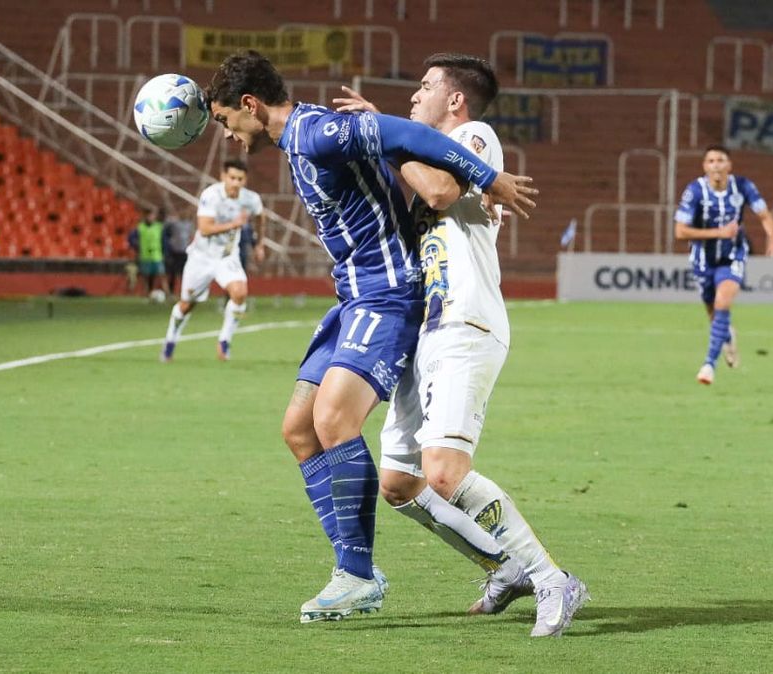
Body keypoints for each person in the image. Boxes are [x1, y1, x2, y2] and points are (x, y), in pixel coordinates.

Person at [204, 50, 536, 623]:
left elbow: (404, 133)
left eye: (224, 119)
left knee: (335, 420)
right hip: (354, 298)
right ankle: (398, 565)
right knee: (300, 431)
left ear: (250, 105)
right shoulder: (301, 139)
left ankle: (356, 575)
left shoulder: (313, 131)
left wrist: (487, 176)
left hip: (388, 292)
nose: (226, 133)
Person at [335, 53, 587, 637]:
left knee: (445, 471)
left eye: (425, 86)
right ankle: (503, 568)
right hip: (427, 331)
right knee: (400, 484)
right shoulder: (420, 151)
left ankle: (552, 578)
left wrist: (385, 138)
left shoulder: (473, 135)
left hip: (465, 323)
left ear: (455, 100)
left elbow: (444, 192)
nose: (414, 95)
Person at [674, 145, 773, 385]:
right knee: (714, 312)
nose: (716, 165)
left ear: (729, 165)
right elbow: (680, 231)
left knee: (723, 301)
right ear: (705, 166)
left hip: (733, 255)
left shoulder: (743, 186)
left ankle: (708, 365)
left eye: (720, 160)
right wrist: (719, 232)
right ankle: (726, 336)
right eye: (711, 161)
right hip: (702, 259)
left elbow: (764, 215)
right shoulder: (694, 191)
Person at [162, 160, 263, 362]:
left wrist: (259, 243)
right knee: (186, 304)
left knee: (240, 292)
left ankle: (224, 342)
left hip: (227, 256)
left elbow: (260, 216)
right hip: (201, 257)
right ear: (223, 176)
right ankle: (170, 341)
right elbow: (205, 228)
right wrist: (235, 224)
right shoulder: (211, 195)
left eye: (240, 179)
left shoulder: (250, 199)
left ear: (245, 180)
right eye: (232, 178)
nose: (236, 183)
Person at [130, 208, 167, 298]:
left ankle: (167, 293)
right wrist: (136, 246)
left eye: (153, 216)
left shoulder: (159, 227)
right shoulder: (140, 227)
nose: (151, 217)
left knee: (162, 275)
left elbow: (164, 240)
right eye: (150, 216)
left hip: (157, 255)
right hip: (145, 256)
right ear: (146, 216)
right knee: (146, 277)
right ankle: (145, 294)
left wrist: (164, 252)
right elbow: (131, 238)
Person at [162, 207, 194, 295]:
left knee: (185, 273)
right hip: (175, 251)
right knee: (172, 273)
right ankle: (171, 292)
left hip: (185, 252)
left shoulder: (189, 224)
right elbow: (165, 226)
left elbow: (191, 236)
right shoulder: (174, 223)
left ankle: (185, 291)